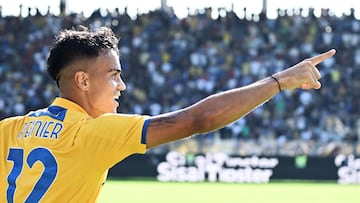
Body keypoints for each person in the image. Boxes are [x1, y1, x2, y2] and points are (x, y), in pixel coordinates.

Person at [0, 25, 336, 202]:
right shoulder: (93, 133)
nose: (123, 86)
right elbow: (197, 120)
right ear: (83, 80)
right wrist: (280, 81)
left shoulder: (12, 129)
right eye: (114, 75)